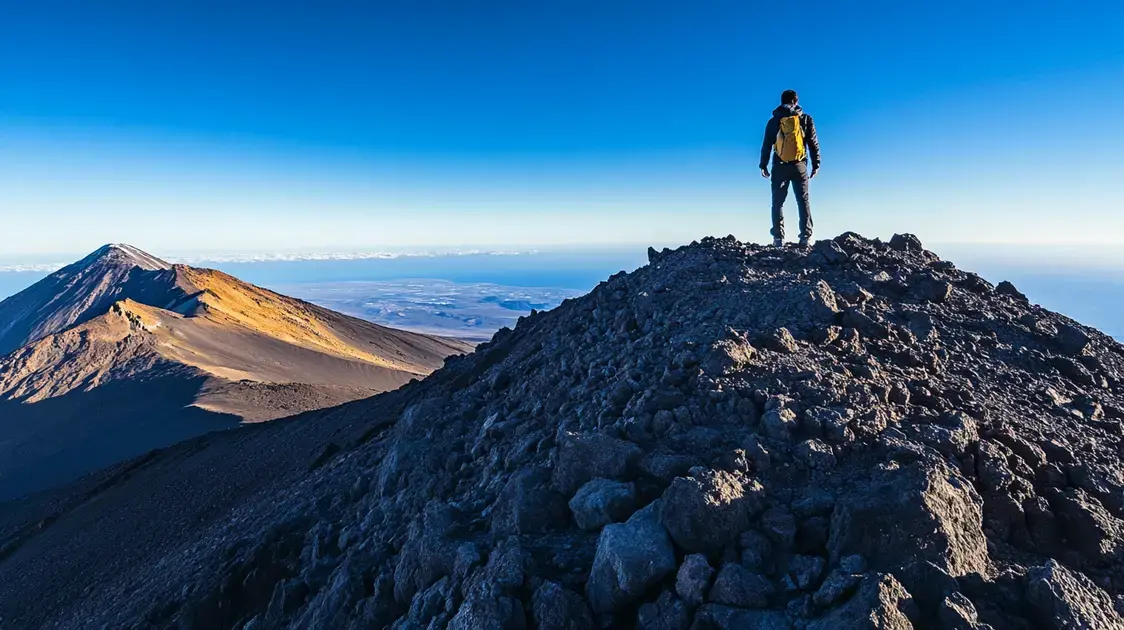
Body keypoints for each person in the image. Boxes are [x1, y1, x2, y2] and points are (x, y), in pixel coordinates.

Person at [760, 90, 821, 248]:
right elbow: (813, 143)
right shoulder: (805, 119)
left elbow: (767, 144)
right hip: (799, 165)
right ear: (796, 101)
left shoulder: (774, 121)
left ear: (781, 101)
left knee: (777, 202)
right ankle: (806, 237)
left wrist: (763, 165)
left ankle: (778, 239)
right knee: (803, 201)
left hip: (779, 166)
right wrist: (816, 165)